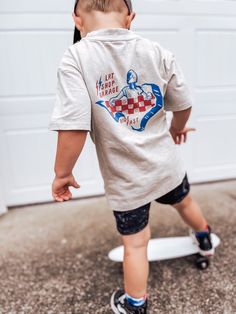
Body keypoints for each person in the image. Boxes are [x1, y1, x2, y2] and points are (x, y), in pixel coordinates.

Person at [48, 0, 214, 313]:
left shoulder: (76, 57)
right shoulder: (156, 51)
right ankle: (204, 238)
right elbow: (183, 102)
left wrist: (62, 172)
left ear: (76, 19)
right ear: (130, 18)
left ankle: (136, 303)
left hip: (128, 181)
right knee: (186, 202)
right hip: (167, 166)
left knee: (136, 244)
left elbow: (73, 124)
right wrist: (177, 128)